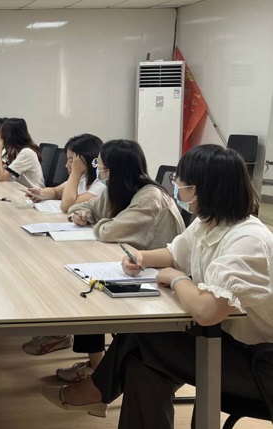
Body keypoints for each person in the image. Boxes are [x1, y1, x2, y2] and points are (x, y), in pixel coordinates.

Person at [43, 144, 273, 428]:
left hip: (261, 365)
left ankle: (97, 390)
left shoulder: (248, 238)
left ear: (200, 189)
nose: (176, 186)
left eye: (180, 181)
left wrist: (177, 279)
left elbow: (207, 311)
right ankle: (97, 391)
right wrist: (141, 258)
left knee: (145, 333)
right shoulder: (209, 223)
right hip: (225, 343)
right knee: (144, 364)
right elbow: (176, 254)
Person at [24, 140, 184, 382]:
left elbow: (108, 231)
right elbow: (84, 208)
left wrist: (95, 221)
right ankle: (96, 363)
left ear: (117, 170)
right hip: (134, 263)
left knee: (87, 289)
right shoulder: (118, 189)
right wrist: (84, 214)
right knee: (84, 281)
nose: (99, 171)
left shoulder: (149, 198)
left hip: (158, 276)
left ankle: (98, 370)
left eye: (102, 167)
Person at [26, 133, 105, 213]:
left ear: (87, 160)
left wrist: (76, 172)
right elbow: (56, 192)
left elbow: (68, 207)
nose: (66, 165)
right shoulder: (84, 177)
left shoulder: (101, 185)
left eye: (72, 161)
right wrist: (40, 194)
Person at [0, 117, 44, 188]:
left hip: (32, 192)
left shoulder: (26, 152)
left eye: (3, 133)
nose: (1, 137)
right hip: (21, 189)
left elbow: (1, 177)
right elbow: (6, 172)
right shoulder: (15, 151)